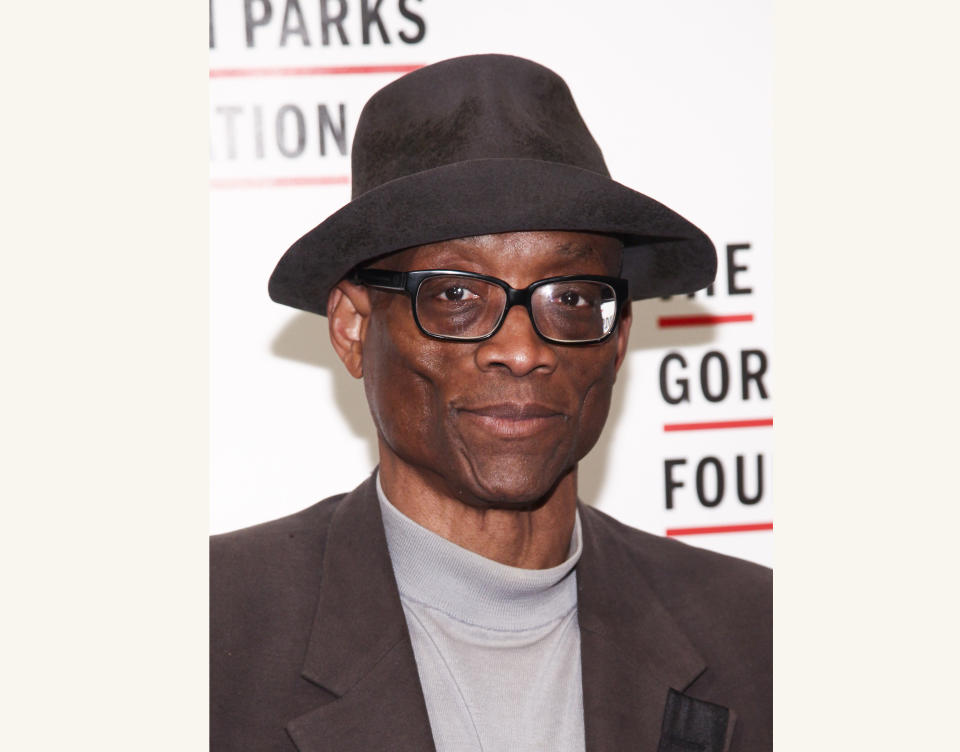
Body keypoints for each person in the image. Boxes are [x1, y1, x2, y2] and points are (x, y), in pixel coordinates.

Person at [211, 54, 771, 752]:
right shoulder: (212, 632)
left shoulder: (762, 636)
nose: (522, 349)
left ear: (618, 339)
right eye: (454, 295)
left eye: (569, 298)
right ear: (354, 329)